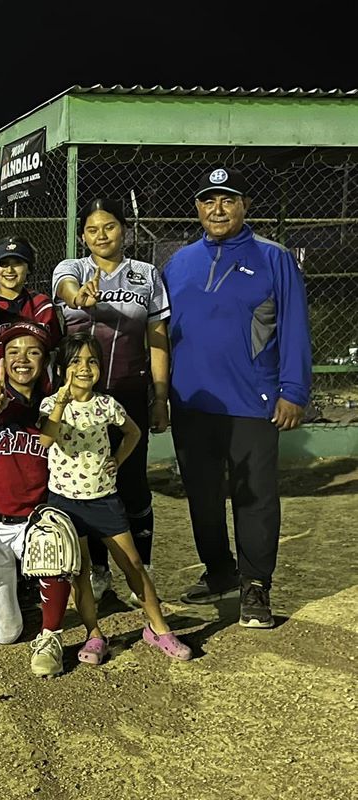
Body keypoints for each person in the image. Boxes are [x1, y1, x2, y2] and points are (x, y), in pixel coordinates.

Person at [164, 167, 312, 628]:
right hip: (191, 403)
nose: (218, 209)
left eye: (228, 199)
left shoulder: (274, 258)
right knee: (202, 498)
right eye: (209, 200)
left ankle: (255, 586)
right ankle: (220, 571)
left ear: (244, 205)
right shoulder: (178, 262)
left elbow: (293, 328)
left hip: (254, 402)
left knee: (255, 499)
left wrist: (294, 390)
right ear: (198, 208)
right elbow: (160, 332)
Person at [39, 333, 191, 663]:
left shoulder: (107, 404)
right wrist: (63, 401)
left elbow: (133, 432)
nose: (84, 368)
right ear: (62, 368)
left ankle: (158, 628)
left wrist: (117, 461)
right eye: (75, 361)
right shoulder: (51, 405)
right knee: (80, 573)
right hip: (64, 503)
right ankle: (93, 635)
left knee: (133, 564)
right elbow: (46, 441)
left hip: (103, 499)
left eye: (92, 361)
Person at [52, 198, 171, 603]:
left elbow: (156, 339)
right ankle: (99, 570)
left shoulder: (146, 275)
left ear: (125, 230)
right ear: (82, 235)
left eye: (110, 227)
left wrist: (159, 397)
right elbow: (67, 292)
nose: (101, 235)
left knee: (132, 481)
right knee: (90, 483)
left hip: (130, 394)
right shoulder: (72, 269)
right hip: (81, 398)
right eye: (92, 229)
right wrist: (80, 298)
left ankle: (144, 568)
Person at [0, 322, 73, 677]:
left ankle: (51, 637)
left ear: (44, 361)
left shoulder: (53, 405)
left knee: (56, 535)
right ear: (1, 359)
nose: (22, 359)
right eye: (13, 352)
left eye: (33, 351)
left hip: (32, 525)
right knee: (5, 633)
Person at [0, 236, 62, 384]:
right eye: (3, 264)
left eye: (17, 263)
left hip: (36, 392)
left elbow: (54, 347)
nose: (9, 270)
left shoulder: (41, 304)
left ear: (29, 267)